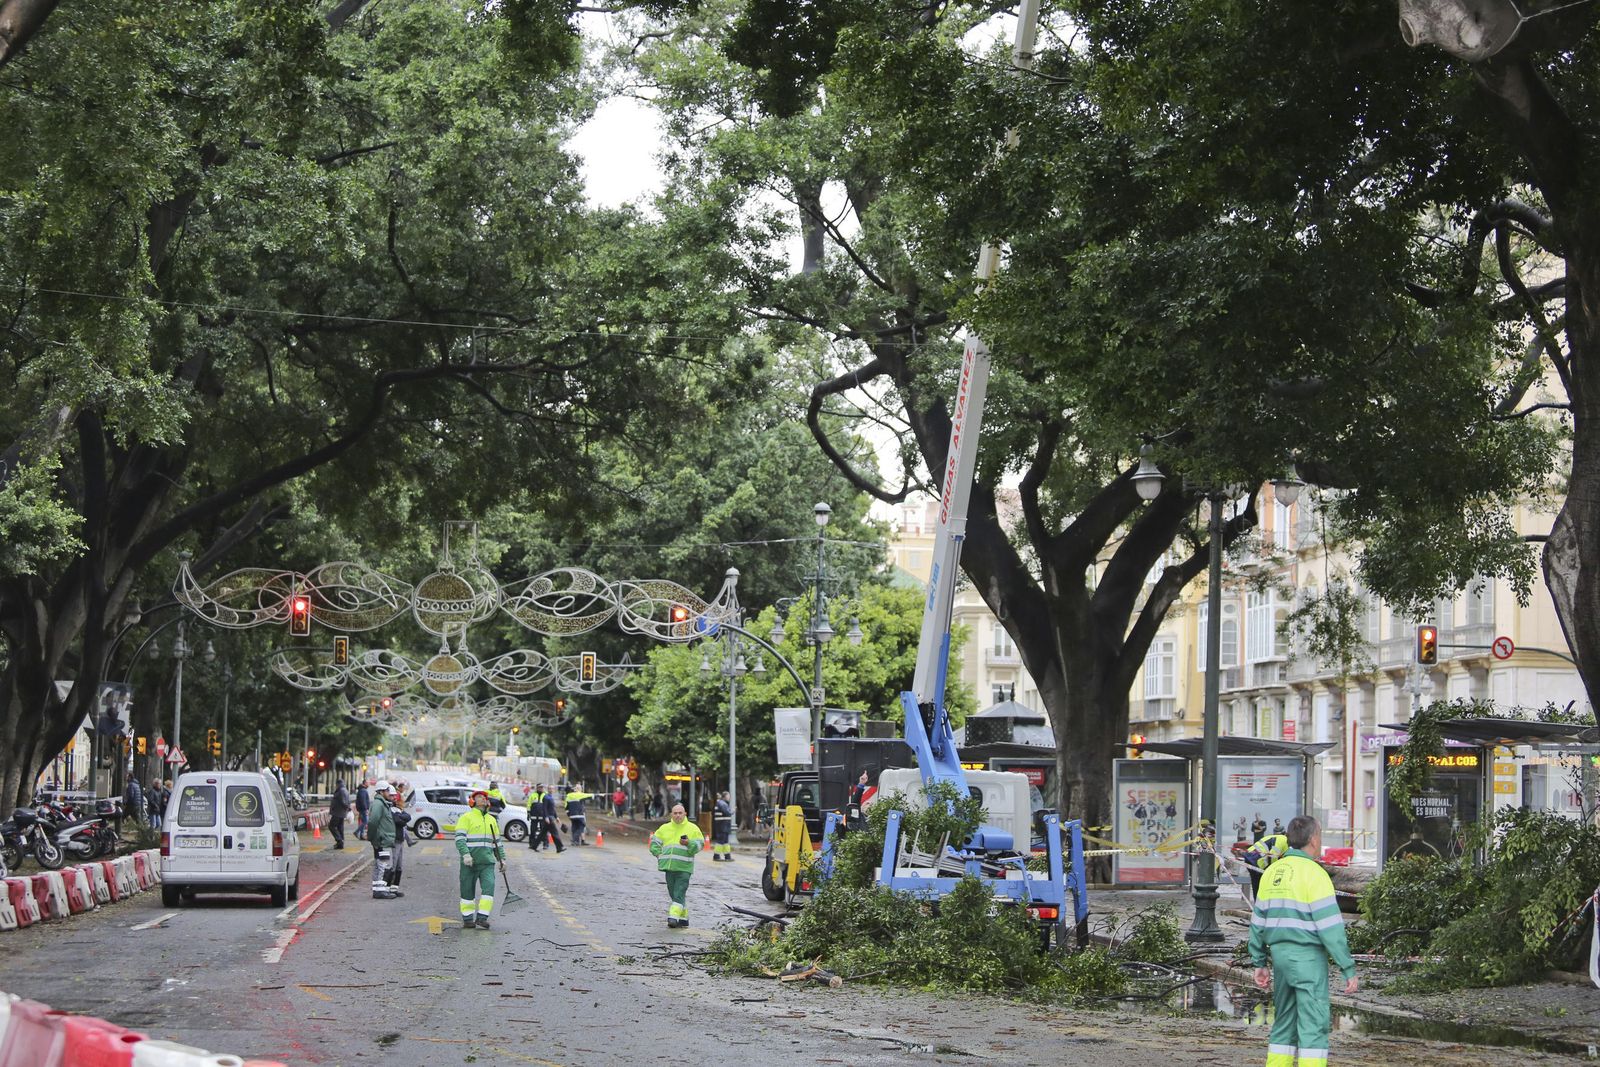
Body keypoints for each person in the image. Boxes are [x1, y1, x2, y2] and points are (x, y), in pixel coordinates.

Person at [1249, 815, 1357, 1067]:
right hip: (1308, 960)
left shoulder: (1271, 872)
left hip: (1280, 958)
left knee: (1283, 1023)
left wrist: (1259, 962)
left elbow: (1258, 922)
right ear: (1313, 839)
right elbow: (1330, 928)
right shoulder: (1315, 874)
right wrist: (1347, 967)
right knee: (1313, 1024)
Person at [455, 790, 505, 930]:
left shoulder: (491, 820)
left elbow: (497, 843)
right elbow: (460, 839)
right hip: (469, 862)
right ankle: (468, 919)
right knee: (467, 891)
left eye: (484, 797)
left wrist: (502, 859)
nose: (482, 799)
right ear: (472, 801)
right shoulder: (466, 818)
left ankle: (482, 918)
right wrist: (466, 854)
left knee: (489, 888)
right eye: (479, 797)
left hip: (487, 862)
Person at [649, 803, 705, 928]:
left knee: (679, 891)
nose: (678, 815)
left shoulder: (693, 828)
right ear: (671, 815)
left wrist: (689, 843)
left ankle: (673, 917)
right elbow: (654, 844)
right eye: (675, 813)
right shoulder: (664, 828)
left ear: (685, 814)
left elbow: (699, 846)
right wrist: (658, 855)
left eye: (680, 813)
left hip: (684, 868)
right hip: (669, 868)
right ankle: (683, 918)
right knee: (673, 893)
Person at [367, 781, 398, 899]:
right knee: (383, 865)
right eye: (387, 791)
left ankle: (379, 889)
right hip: (382, 840)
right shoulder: (379, 804)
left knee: (380, 864)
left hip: (383, 839)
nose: (389, 793)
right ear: (381, 791)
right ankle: (380, 891)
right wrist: (372, 837)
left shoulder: (382, 803)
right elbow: (373, 821)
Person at [1241, 830, 1289, 898]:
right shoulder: (1283, 839)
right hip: (1256, 858)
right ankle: (1261, 901)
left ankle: (1257, 901)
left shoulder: (1275, 837)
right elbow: (1273, 854)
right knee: (1261, 884)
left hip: (1250, 856)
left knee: (1257, 884)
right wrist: (1273, 870)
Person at [386, 782, 411, 893]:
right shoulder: (390, 809)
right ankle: (387, 887)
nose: (395, 798)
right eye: (392, 796)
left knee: (399, 866)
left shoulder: (398, 809)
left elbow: (408, 817)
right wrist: (402, 818)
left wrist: (401, 817)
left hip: (400, 839)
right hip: (395, 839)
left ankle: (394, 888)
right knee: (393, 864)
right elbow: (398, 821)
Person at [711, 791, 733, 861]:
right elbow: (727, 813)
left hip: (722, 825)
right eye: (728, 796)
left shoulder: (720, 803)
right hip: (723, 825)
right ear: (725, 796)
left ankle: (727, 856)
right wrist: (732, 811)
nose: (729, 797)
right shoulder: (722, 804)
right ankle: (716, 856)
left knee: (725, 841)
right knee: (720, 841)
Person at [328, 780, 350, 850]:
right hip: (341, 813)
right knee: (340, 828)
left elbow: (343, 802)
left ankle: (339, 840)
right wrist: (347, 808)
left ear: (338, 784)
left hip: (337, 812)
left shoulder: (341, 791)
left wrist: (346, 807)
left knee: (331, 826)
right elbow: (347, 802)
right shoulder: (345, 790)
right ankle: (340, 843)